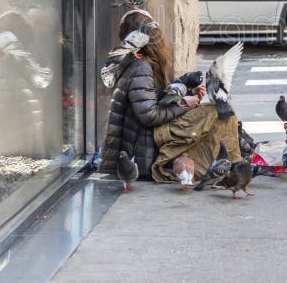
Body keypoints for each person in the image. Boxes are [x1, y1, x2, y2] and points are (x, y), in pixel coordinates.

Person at [97, 9, 240, 182]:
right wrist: (184, 104)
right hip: (144, 149)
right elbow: (149, 116)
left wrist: (188, 93)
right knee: (219, 114)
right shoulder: (140, 66)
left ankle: (223, 167)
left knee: (219, 110)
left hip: (148, 138)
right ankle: (229, 170)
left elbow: (155, 100)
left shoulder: (142, 64)